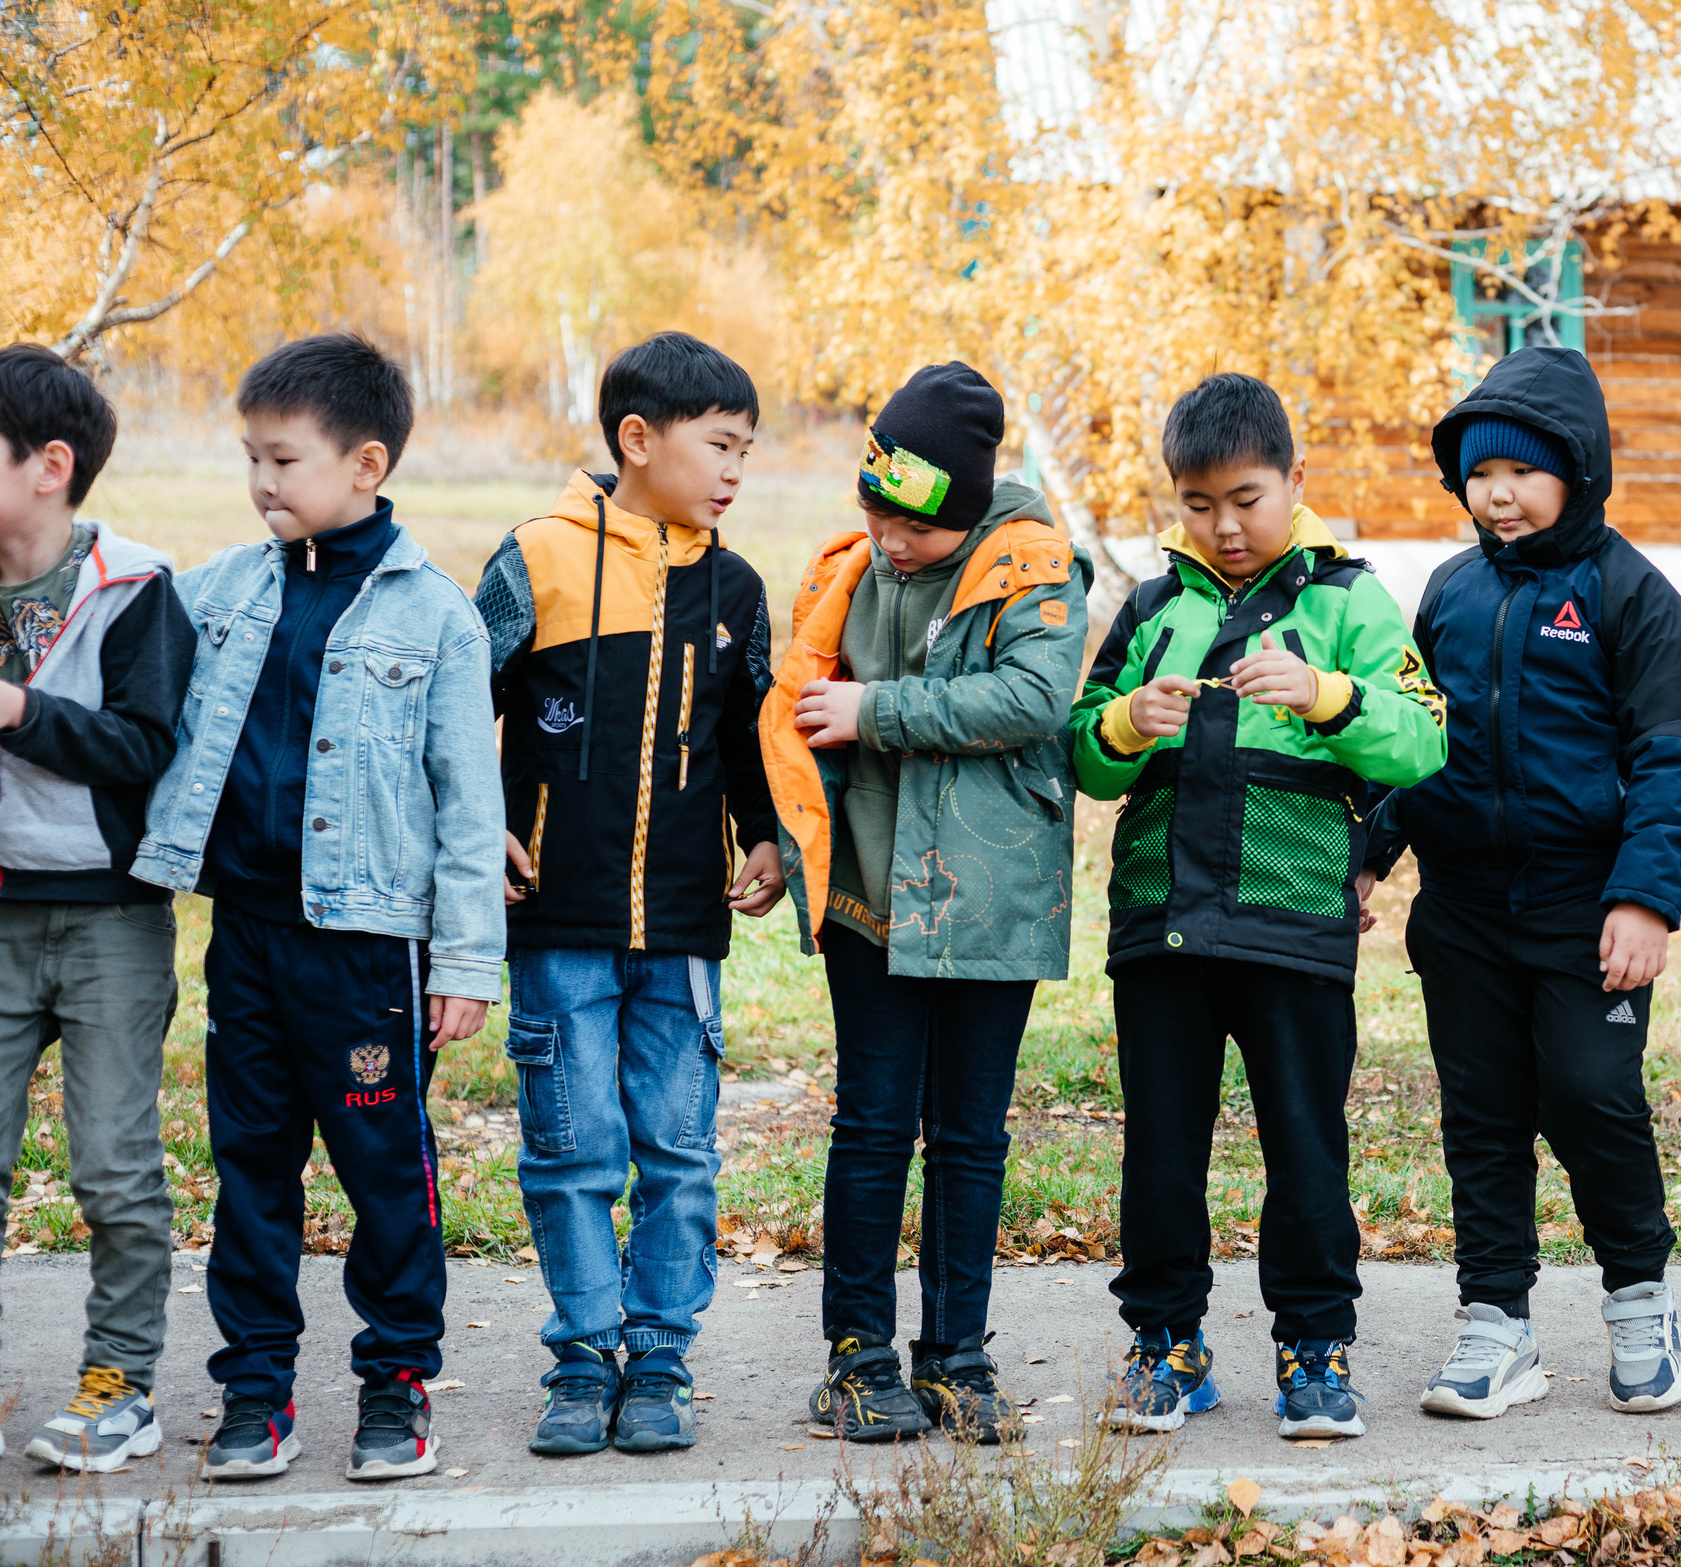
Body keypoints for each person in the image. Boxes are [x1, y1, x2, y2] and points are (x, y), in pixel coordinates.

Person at [132, 333, 505, 1480]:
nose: (261, 481)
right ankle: (255, 1387)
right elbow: (121, 651)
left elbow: (466, 803)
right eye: (251, 456)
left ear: (365, 463)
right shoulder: (223, 591)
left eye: (283, 458)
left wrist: (464, 961)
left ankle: (396, 1378)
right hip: (245, 933)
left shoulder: (435, 615)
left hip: (368, 948)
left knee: (382, 1161)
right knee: (249, 1160)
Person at [1071, 372, 1447, 1441]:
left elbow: (1424, 738)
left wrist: (1331, 698)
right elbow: (1083, 753)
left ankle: (1314, 1348)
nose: (1225, 525)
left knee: (1304, 1144)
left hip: (1294, 928)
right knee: (1160, 1148)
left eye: (1246, 497)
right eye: (1198, 504)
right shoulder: (1150, 607)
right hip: (1162, 925)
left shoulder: (1350, 602)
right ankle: (1165, 1346)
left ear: (1293, 482)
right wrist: (1126, 726)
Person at [1358, 345, 1681, 1421]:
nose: (1497, 492)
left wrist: (1645, 898)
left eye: (1520, 470)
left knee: (1590, 1094)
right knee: (1482, 1109)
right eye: (1477, 474)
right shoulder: (1452, 591)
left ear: (1580, 470)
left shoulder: (1629, 595)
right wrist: (1373, 848)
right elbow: (1415, 742)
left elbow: (1665, 757)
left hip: (1585, 903)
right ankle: (1494, 1323)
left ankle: (1640, 1299)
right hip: (1462, 906)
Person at [763, 362, 1086, 1446]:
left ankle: (957, 1355)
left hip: (993, 896)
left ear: (965, 505)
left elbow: (1038, 697)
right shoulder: (851, 569)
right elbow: (792, 700)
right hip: (871, 890)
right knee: (870, 1124)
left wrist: (878, 709)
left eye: (913, 526)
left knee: (968, 1134)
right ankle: (857, 1356)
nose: (890, 540)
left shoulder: (1036, 565)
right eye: (875, 512)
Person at [474, 331, 783, 1456]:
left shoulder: (734, 583)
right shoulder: (537, 558)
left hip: (685, 922)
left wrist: (766, 835)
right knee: (573, 1143)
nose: (735, 470)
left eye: (747, 449)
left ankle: (659, 1355)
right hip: (555, 913)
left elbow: (749, 733)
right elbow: (466, 709)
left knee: (678, 1146)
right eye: (720, 445)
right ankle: (581, 1354)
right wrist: (481, 830)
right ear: (637, 440)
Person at [0, 345, 193, 1471]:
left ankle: (120, 1381)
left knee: (113, 1165)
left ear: (48, 466)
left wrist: (19, 708)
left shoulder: (134, 583)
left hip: (110, 914)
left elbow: (142, 747)